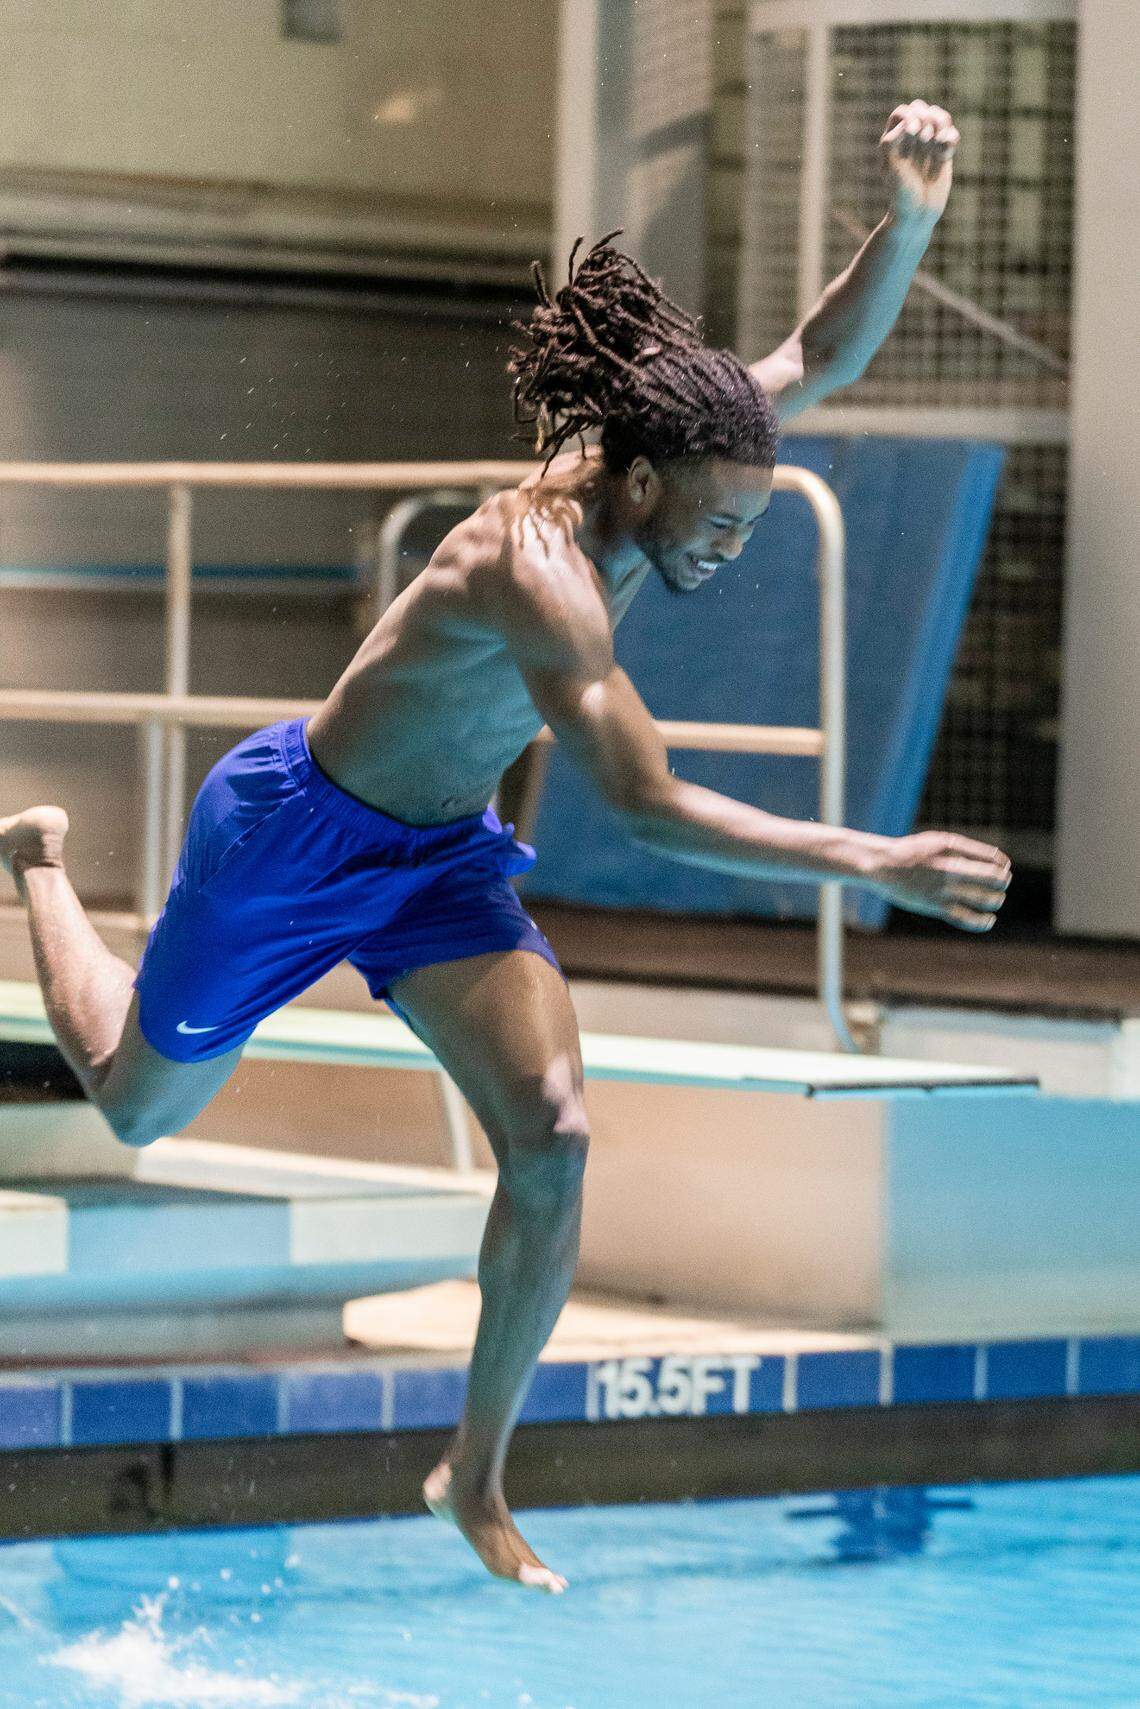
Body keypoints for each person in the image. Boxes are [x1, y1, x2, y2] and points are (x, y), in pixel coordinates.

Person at [0, 102, 1006, 1591]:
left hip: (442, 863)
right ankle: (37, 861)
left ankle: (470, 1474)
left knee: (554, 1130)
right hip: (292, 838)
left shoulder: (686, 444)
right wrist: (872, 860)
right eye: (720, 529)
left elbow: (817, 354)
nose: (731, 552)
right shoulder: (535, 569)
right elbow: (647, 804)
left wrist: (912, 219)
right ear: (639, 483)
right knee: (138, 1105)